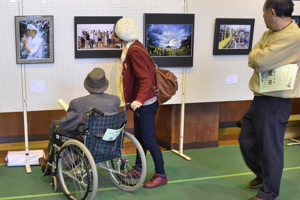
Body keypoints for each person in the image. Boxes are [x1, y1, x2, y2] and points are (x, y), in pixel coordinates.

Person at [238, 0, 300, 200]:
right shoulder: (269, 34)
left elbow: (261, 60)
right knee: (246, 139)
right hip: (260, 97)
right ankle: (263, 174)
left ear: (271, 12)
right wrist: (260, 57)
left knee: (271, 146)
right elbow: (253, 57)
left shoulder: (293, 36)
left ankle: (269, 191)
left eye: (263, 13)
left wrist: (261, 57)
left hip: (276, 101)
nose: (263, 16)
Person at [114, 17, 167, 188]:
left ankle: (161, 174)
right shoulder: (135, 45)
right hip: (142, 102)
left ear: (121, 35)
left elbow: (145, 78)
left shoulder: (134, 51)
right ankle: (138, 167)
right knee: (140, 137)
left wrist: (139, 99)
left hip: (146, 103)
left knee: (149, 140)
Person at [39, 68, 121, 171]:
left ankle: (50, 163)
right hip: (108, 140)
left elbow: (65, 125)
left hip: (86, 141)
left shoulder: (78, 103)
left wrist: (68, 115)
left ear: (88, 86)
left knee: (55, 124)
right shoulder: (115, 100)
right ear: (104, 84)